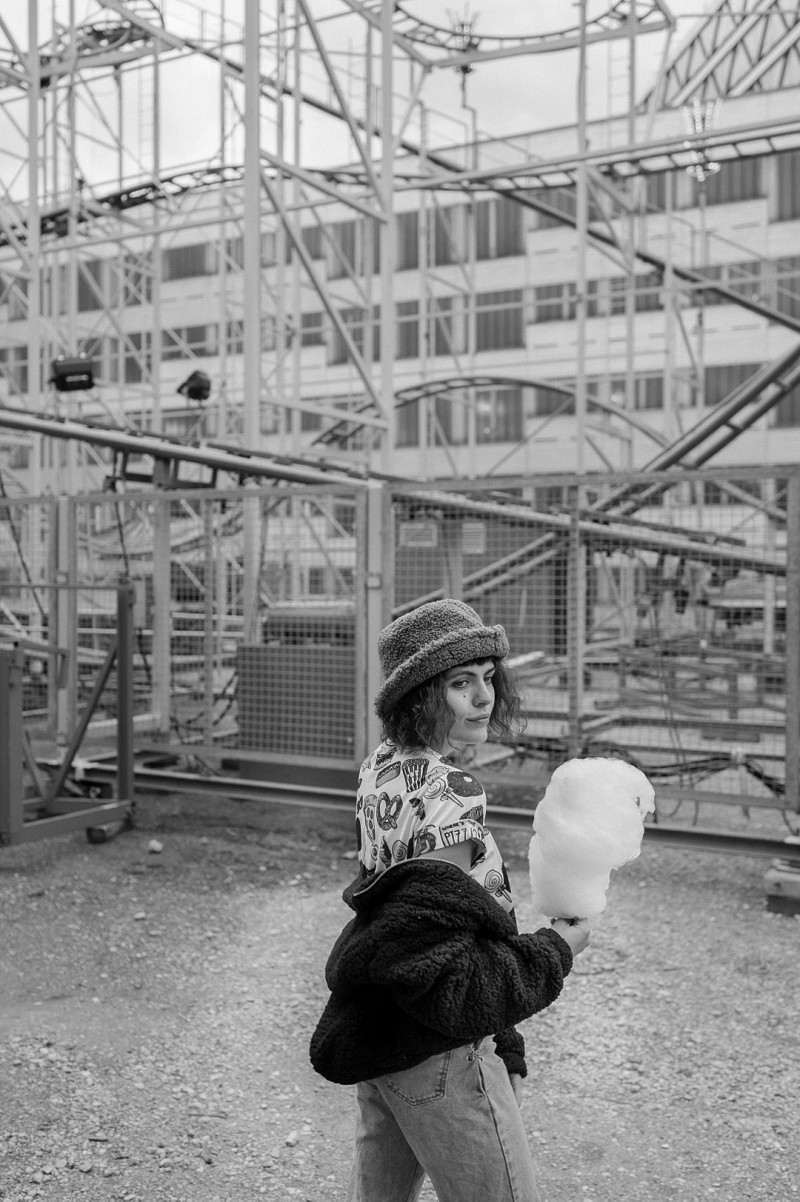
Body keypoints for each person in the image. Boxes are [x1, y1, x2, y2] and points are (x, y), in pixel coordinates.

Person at [309, 598, 590, 1202]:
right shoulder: (452, 791)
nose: (484, 697)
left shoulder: (379, 768)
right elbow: (441, 963)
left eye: (488, 677)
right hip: (439, 1052)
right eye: (461, 684)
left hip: (381, 1038)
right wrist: (558, 948)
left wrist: (507, 1040)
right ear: (418, 696)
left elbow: (405, 925)